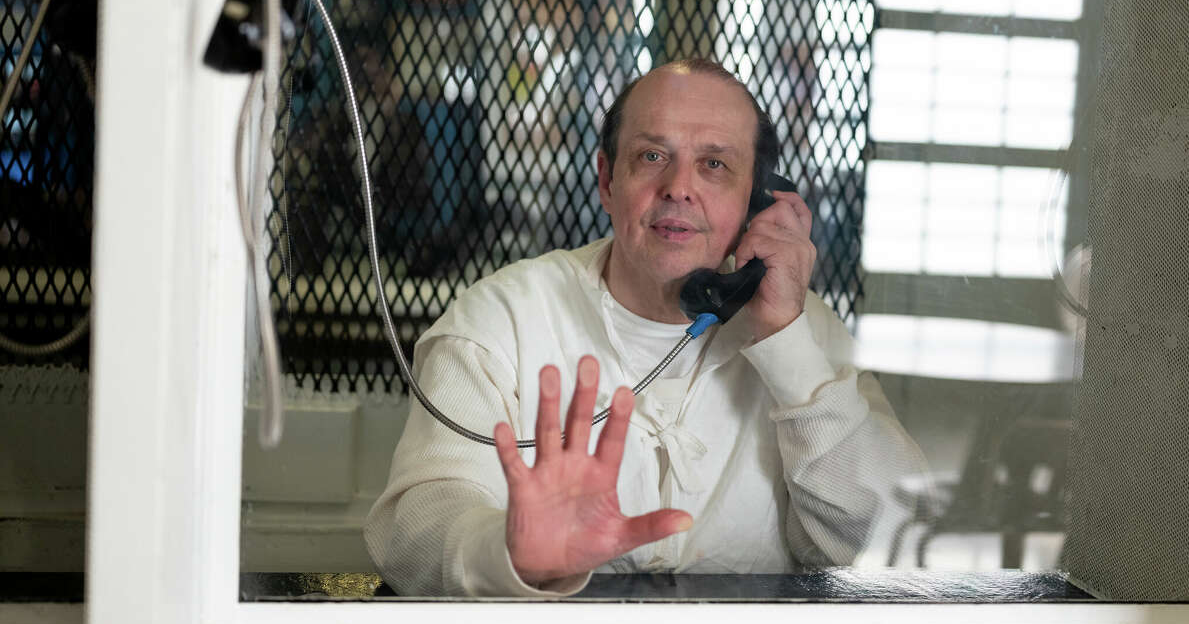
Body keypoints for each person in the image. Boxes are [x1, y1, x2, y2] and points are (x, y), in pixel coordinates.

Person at [364, 58, 924, 596]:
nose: (680, 187)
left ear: (758, 199)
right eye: (653, 156)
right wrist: (507, 553)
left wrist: (786, 341)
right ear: (607, 181)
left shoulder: (805, 327)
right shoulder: (501, 320)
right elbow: (414, 527)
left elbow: (895, 541)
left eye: (715, 165)